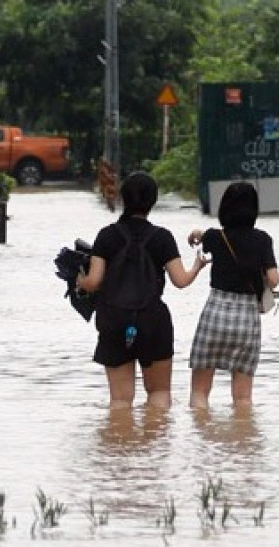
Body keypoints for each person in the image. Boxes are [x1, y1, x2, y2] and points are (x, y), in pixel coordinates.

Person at [76, 171, 206, 410]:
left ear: (123, 198)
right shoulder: (162, 238)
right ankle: (155, 447)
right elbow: (181, 280)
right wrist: (197, 266)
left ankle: (120, 442)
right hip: (153, 320)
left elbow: (93, 281)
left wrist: (79, 280)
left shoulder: (107, 236)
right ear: (153, 201)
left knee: (120, 400)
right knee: (159, 394)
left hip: (113, 320)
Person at [186, 181, 279, 409]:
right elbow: (275, 279)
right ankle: (242, 438)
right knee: (243, 399)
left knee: (199, 393)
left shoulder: (216, 237)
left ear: (224, 208)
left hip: (215, 314)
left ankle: (199, 441)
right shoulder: (262, 240)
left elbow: (202, 236)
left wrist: (197, 234)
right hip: (247, 320)